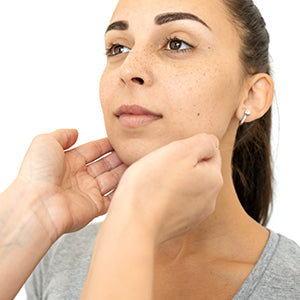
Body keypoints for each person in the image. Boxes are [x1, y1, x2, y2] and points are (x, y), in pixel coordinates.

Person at [0, 0, 299, 299]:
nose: (129, 69)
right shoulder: (57, 254)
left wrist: (134, 222)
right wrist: (34, 216)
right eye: (118, 48)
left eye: (177, 43)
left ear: (252, 95)